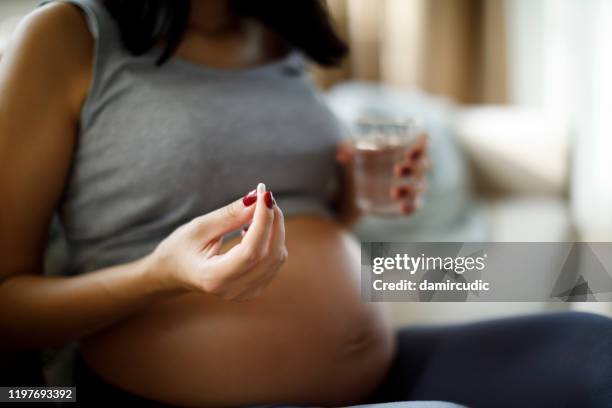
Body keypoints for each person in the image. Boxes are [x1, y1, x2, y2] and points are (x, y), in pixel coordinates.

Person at [0, 1, 610, 407]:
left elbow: (310, 219)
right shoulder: (67, 37)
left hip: (375, 366)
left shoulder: (278, 41)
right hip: (174, 395)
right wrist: (161, 276)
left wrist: (355, 198)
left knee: (592, 342)